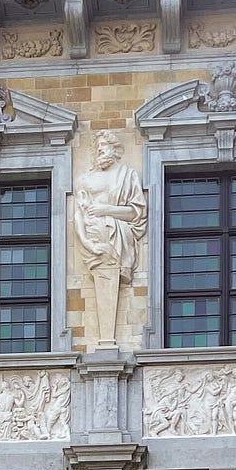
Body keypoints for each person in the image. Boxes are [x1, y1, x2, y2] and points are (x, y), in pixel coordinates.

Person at [74, 131, 147, 347]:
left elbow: (135, 213)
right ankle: (106, 340)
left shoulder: (127, 175)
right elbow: (79, 214)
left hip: (116, 238)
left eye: (104, 145)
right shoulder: (85, 180)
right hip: (95, 242)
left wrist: (107, 210)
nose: (99, 149)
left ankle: (108, 340)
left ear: (115, 150)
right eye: (97, 146)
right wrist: (86, 242)